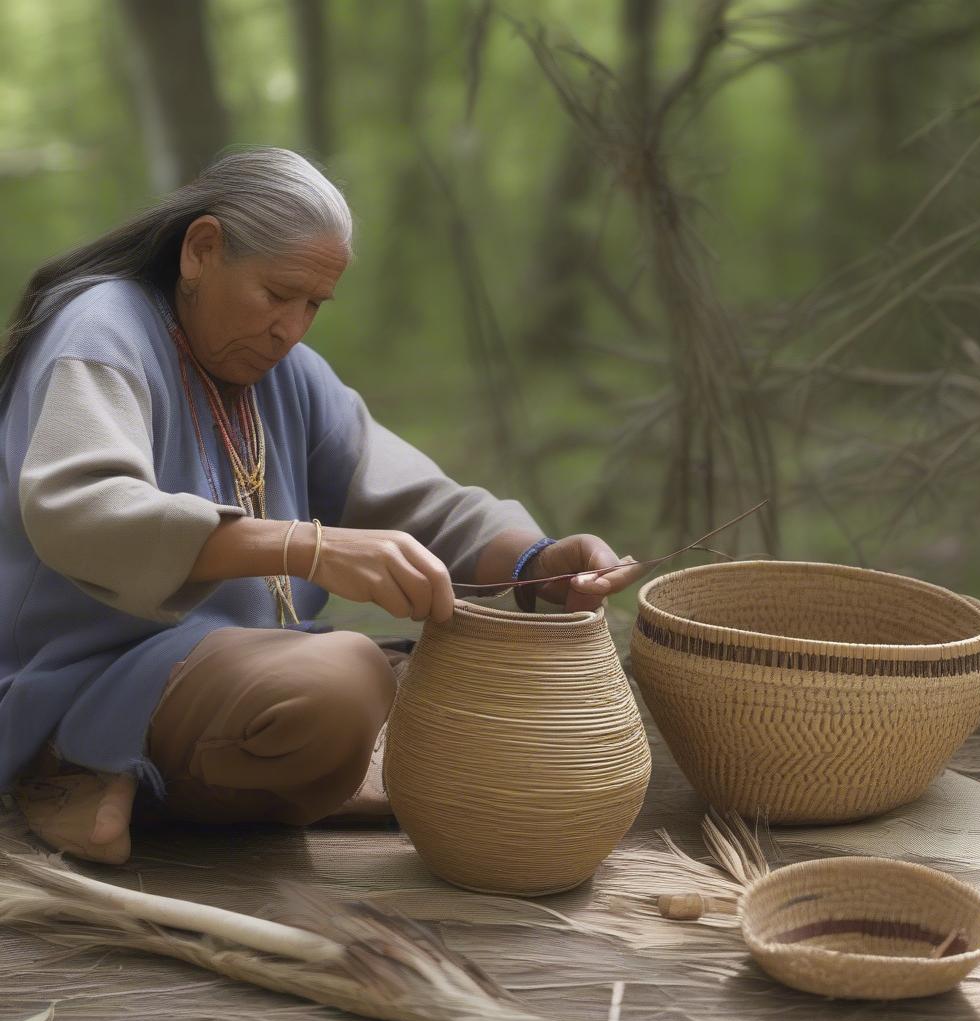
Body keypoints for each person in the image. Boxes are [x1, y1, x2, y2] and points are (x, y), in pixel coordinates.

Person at [0, 147, 644, 867]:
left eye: (313, 304)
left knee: (481, 698)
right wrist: (308, 547)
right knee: (340, 686)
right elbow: (81, 509)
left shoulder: (284, 372)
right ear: (201, 250)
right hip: (82, 673)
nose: (293, 328)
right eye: (277, 294)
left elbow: (416, 500)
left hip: (230, 679)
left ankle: (148, 779)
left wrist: (538, 561)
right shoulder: (101, 329)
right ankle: (62, 760)